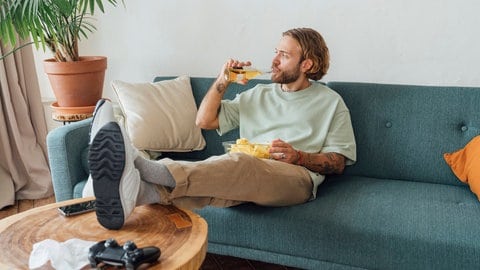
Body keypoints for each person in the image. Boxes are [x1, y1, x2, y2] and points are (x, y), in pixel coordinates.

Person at [86, 27, 357, 230]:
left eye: (284, 55)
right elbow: (203, 121)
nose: (274, 60)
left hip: (296, 179)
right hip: (247, 172)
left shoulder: (330, 102)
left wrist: (299, 156)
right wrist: (222, 81)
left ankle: (139, 164)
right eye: (276, 52)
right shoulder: (258, 94)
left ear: (306, 64)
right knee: (222, 183)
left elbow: (338, 162)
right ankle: (136, 193)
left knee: (239, 164)